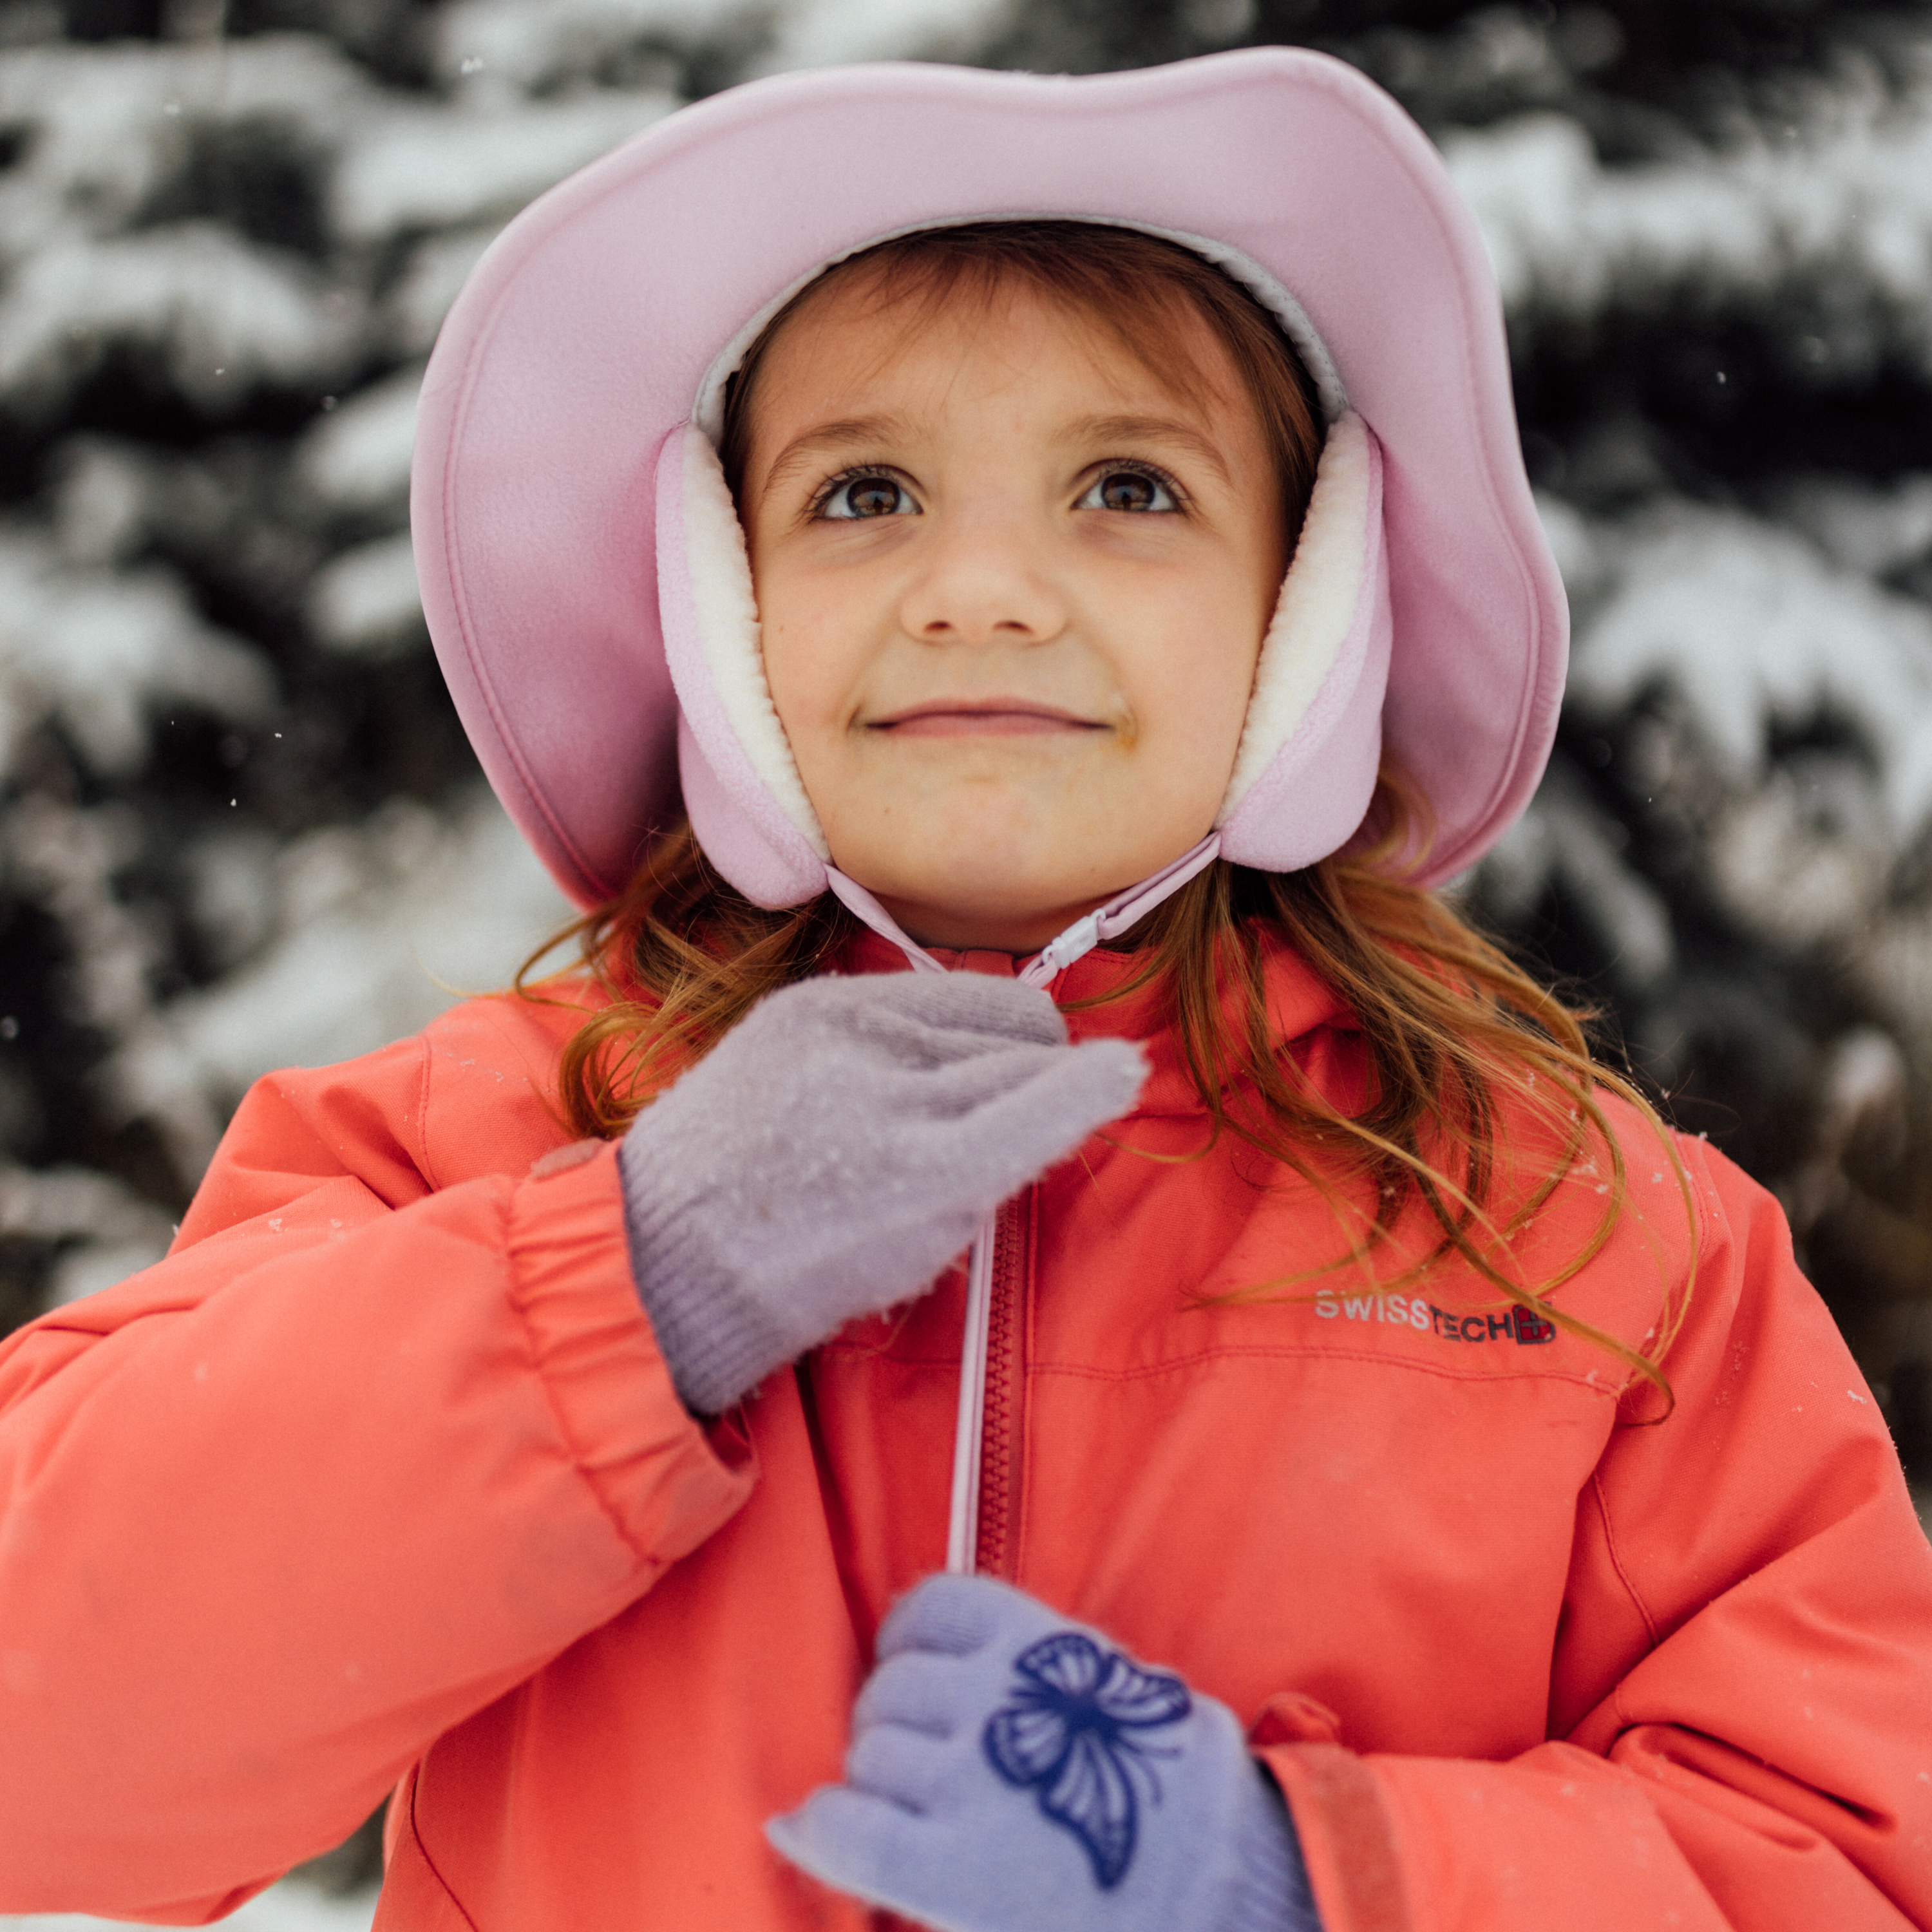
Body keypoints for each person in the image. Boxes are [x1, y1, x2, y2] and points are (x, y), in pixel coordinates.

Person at [1, 46, 1927, 1932]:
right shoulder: (482, 1145)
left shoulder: (1585, 1240)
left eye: (1128, 488)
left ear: (1308, 602)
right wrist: (628, 1284)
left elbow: (1856, 1856)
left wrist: (1293, 1879)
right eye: (863, 498)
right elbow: (44, 1751)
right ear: (717, 599)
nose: (984, 591)